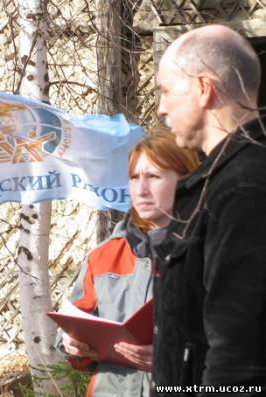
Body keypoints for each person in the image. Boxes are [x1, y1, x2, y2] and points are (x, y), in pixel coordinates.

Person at [152, 24, 266, 394]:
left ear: (204, 88)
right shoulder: (219, 180)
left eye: (166, 91)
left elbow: (239, 354)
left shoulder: (244, 187)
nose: (161, 108)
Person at [60, 130, 199, 396]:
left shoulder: (213, 250)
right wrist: (71, 344)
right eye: (134, 177)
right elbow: (72, 326)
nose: (141, 189)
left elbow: (240, 346)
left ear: (186, 180)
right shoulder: (102, 255)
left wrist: (173, 359)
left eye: (154, 176)